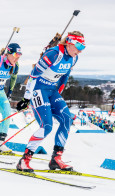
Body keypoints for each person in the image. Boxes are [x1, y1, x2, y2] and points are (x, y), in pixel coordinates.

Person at [16, 31, 85, 172]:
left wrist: (57, 96)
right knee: (46, 126)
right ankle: (24, 160)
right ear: (69, 42)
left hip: (51, 90)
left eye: (83, 47)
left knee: (67, 118)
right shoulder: (53, 54)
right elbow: (33, 75)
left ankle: (56, 159)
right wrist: (26, 98)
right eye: (78, 46)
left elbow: (64, 77)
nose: (80, 50)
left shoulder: (74, 58)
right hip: (38, 89)